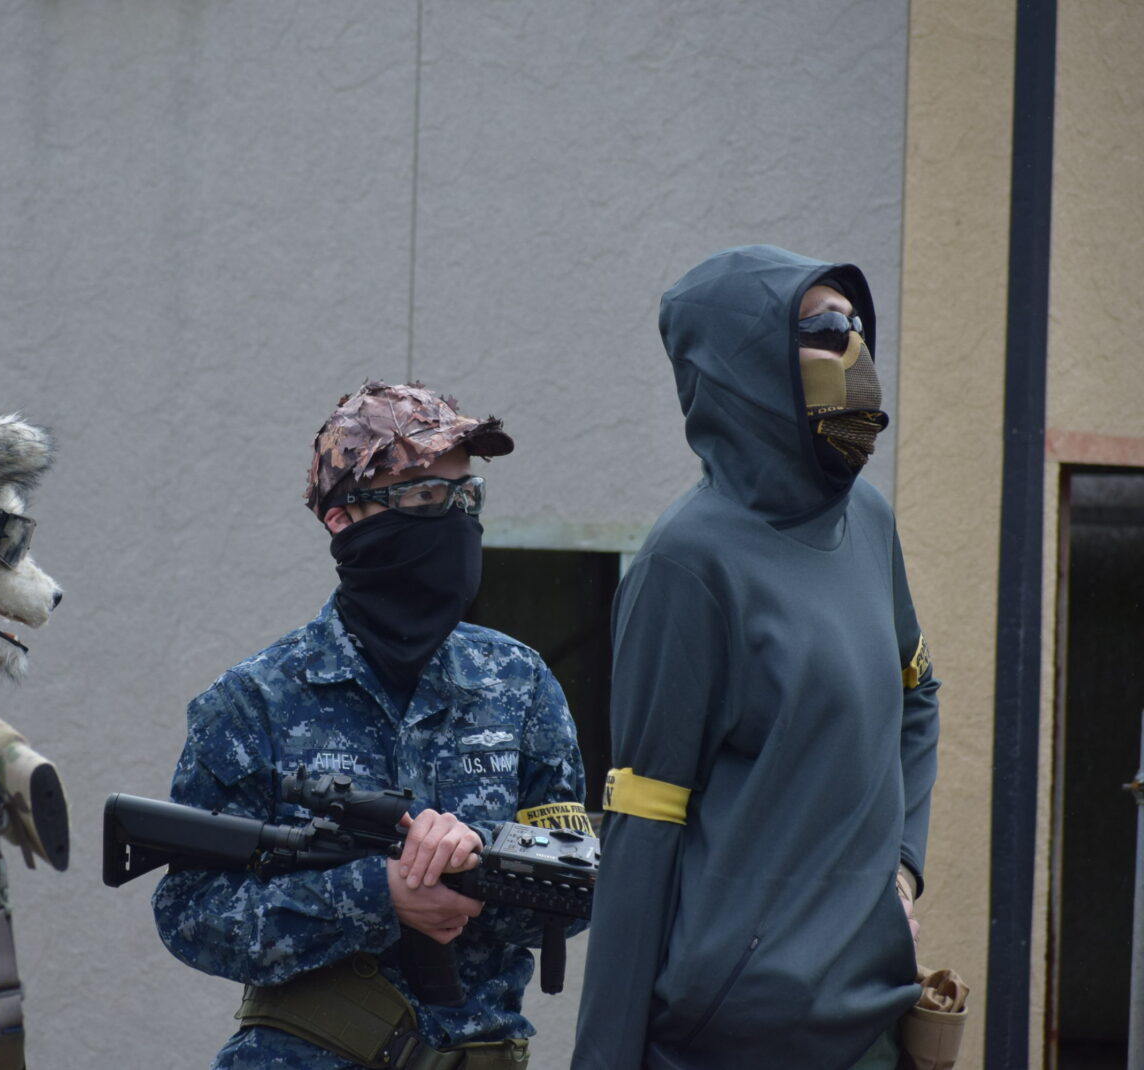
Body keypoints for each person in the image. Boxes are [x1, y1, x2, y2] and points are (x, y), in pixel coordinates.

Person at [570, 246, 940, 1070]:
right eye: (823, 328)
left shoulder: (869, 523)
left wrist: (900, 875)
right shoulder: (685, 564)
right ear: (743, 365)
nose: (854, 349)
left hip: (872, 1022)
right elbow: (643, 827)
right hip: (728, 1038)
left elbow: (917, 695)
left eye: (857, 324)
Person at [152, 381, 589, 1069]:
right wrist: (375, 896)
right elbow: (190, 914)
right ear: (343, 520)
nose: (453, 517)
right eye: (424, 496)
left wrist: (475, 862)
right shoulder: (252, 701)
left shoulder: (519, 682)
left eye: (465, 496)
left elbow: (581, 883)